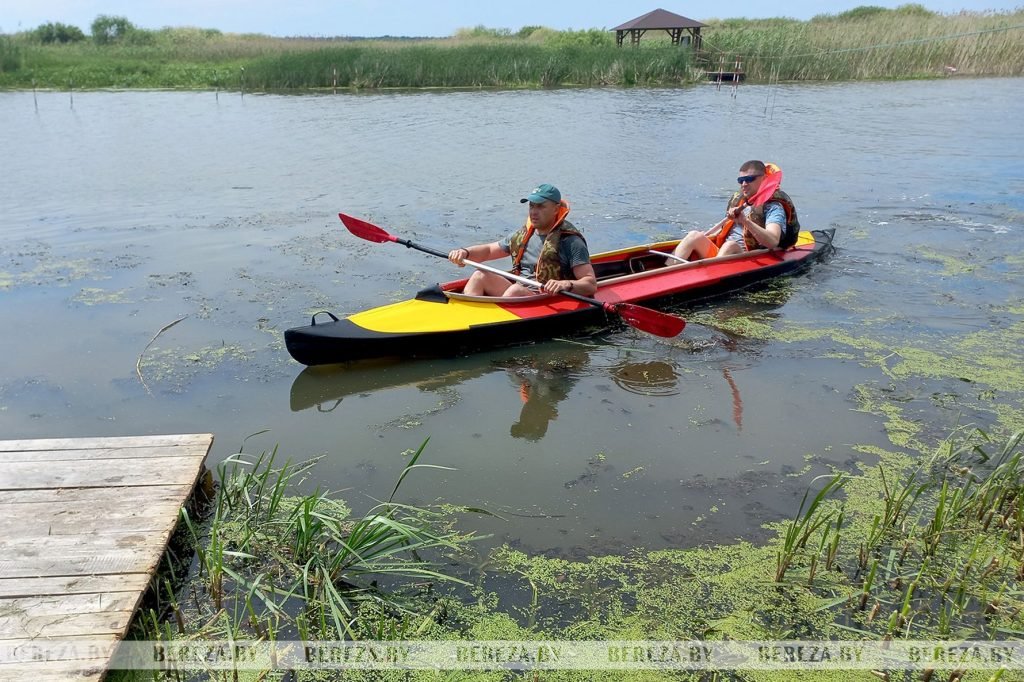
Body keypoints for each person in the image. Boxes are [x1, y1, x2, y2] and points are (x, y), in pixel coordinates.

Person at [447, 184, 597, 297]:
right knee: (479, 275)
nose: (533, 212)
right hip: (519, 295)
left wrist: (566, 284)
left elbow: (590, 284)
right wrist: (464, 253)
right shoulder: (523, 235)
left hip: (545, 298)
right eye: (531, 206)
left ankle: (493, 323)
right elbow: (489, 251)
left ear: (556, 209)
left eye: (540, 207)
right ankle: (469, 317)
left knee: (516, 290)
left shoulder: (570, 241)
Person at [671, 161, 800, 262]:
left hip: (745, 257)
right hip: (722, 255)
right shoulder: (740, 200)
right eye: (741, 180)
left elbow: (772, 241)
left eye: (750, 179)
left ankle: (711, 276)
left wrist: (745, 221)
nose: (744, 184)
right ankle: (668, 272)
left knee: (730, 246)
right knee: (694, 235)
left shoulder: (773, 206)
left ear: (764, 178)